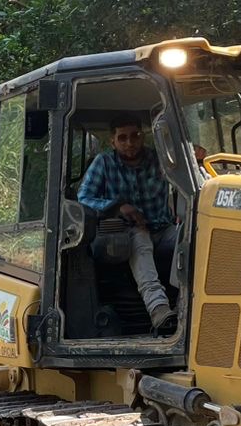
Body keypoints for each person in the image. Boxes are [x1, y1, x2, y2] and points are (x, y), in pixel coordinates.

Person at [75, 116, 178, 333]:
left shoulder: (160, 159)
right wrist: (117, 207)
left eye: (135, 136)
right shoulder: (104, 162)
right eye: (122, 138)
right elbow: (83, 198)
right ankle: (158, 308)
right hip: (126, 232)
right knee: (140, 242)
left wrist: (194, 157)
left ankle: (187, 304)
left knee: (191, 238)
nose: (130, 143)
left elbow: (185, 176)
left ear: (143, 136)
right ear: (112, 141)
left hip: (163, 229)